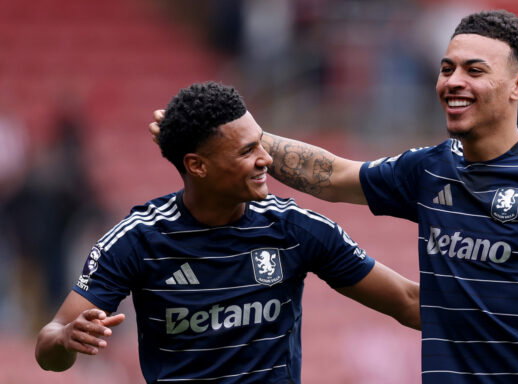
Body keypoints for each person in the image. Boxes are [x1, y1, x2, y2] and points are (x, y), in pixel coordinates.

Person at [150, 11, 518, 384]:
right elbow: (334, 176)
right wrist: (231, 139)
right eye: (446, 68)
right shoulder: (429, 169)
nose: (453, 80)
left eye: (474, 70)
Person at [37, 82, 420, 383]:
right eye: (247, 150)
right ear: (197, 166)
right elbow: (49, 346)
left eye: (262, 144)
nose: (267, 159)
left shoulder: (294, 228)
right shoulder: (136, 240)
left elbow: (407, 301)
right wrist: (66, 339)